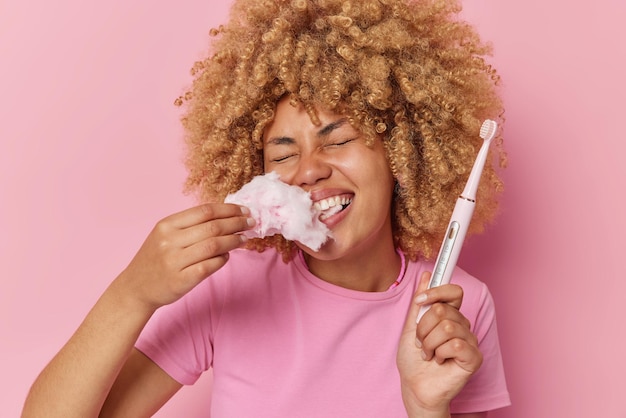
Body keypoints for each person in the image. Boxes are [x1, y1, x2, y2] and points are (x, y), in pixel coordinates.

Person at [22, 0, 511, 416]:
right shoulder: (229, 285)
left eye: (337, 139)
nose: (308, 170)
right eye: (282, 154)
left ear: (403, 149)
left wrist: (425, 409)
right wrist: (132, 294)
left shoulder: (458, 305)